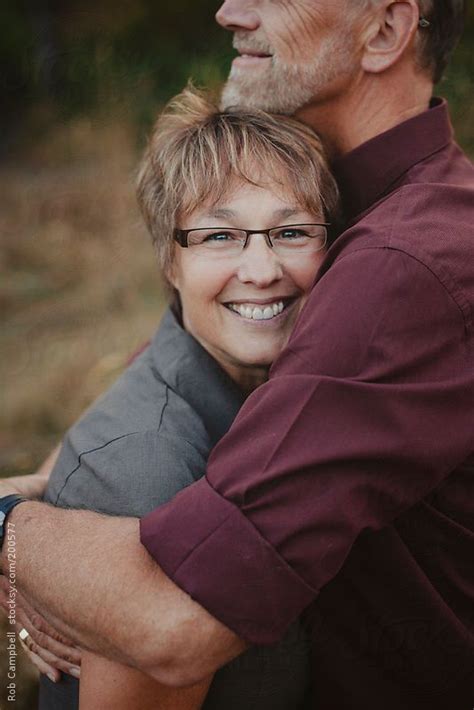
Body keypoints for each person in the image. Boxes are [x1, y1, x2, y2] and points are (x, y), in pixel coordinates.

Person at [1, 1, 472, 708]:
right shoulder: (365, 205)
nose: (230, 10)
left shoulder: (399, 264)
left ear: (385, 30)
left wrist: (9, 528)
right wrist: (60, 475)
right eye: (222, 238)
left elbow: (174, 619)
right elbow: (184, 355)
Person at [2, 87, 339, 710]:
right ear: (169, 260)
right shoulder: (148, 474)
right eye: (220, 238)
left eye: (290, 231)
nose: (262, 269)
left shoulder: (272, 400)